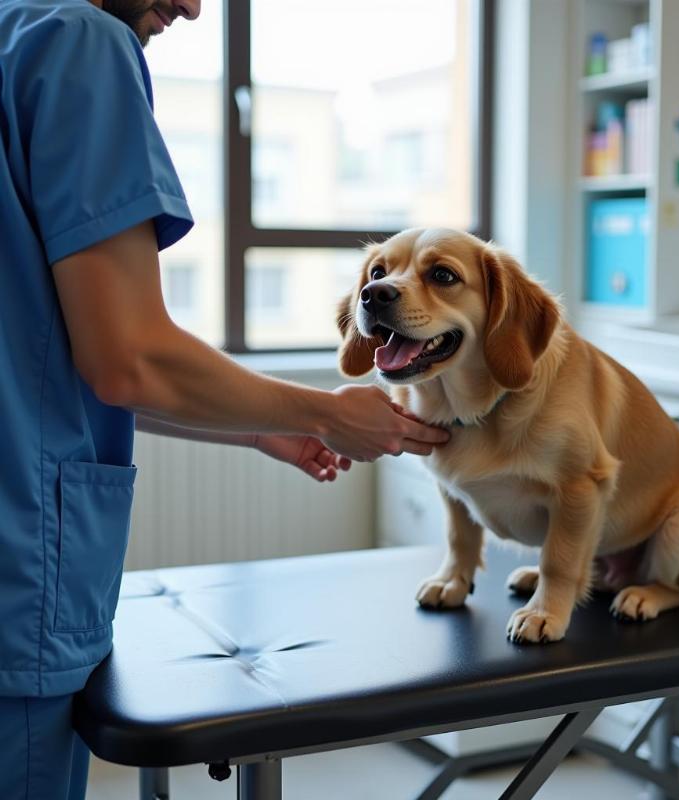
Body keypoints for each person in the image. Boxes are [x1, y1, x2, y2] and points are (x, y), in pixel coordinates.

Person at [0, 1, 450, 797]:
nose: (194, 6)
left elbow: (45, 359)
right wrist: (321, 410)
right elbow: (128, 357)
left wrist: (252, 430)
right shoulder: (78, 43)